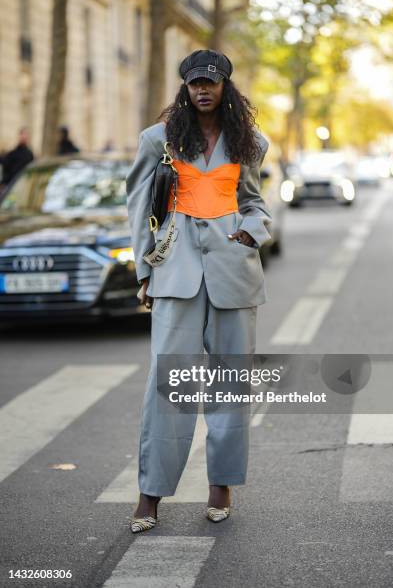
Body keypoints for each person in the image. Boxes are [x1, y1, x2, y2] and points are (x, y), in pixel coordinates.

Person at [126, 49, 273, 533]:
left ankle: (221, 486)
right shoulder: (158, 140)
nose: (203, 90)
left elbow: (253, 202)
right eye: (194, 84)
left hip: (234, 270)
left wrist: (254, 230)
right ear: (184, 88)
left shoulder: (249, 142)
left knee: (231, 380)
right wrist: (144, 271)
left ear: (226, 87)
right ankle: (150, 495)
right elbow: (139, 207)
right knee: (167, 381)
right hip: (175, 270)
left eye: (211, 82)